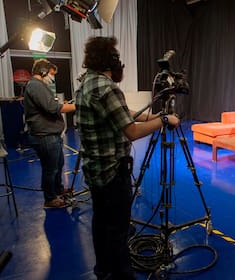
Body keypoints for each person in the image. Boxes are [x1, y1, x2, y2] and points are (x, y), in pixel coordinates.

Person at [75, 36, 180, 280]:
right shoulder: (107, 87)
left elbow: (122, 113)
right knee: (119, 230)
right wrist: (164, 120)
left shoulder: (87, 83)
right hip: (113, 172)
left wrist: (150, 116)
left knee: (101, 222)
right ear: (110, 60)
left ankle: (103, 270)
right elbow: (131, 132)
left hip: (95, 170)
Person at [24, 59, 76, 208]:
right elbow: (52, 108)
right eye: (51, 74)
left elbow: (49, 105)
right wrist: (75, 106)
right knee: (50, 168)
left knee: (58, 164)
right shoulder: (36, 86)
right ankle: (50, 198)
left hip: (50, 135)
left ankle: (58, 190)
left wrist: (64, 104)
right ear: (43, 72)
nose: (52, 77)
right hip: (44, 136)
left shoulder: (39, 86)